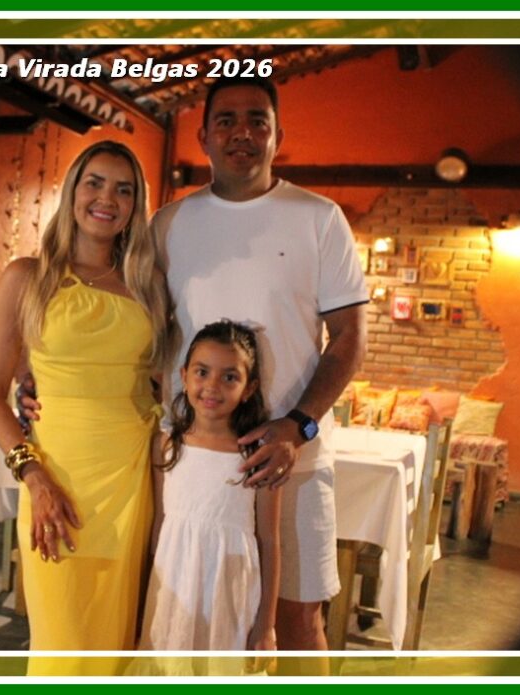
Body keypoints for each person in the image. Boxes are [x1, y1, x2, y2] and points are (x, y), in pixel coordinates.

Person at [152, 76, 368, 669]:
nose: (241, 132)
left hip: (291, 460)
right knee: (184, 609)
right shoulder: (168, 224)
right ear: (203, 136)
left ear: (278, 135)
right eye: (225, 120)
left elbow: (351, 337)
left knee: (297, 620)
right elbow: (134, 322)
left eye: (257, 119)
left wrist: (297, 425)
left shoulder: (319, 218)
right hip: (192, 460)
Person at [0, 140, 170, 676]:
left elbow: (160, 380)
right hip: (55, 481)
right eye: (95, 183)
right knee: (62, 645)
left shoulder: (148, 285)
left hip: (129, 482)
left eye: (124, 190)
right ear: (72, 192)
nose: (107, 198)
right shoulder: (27, 277)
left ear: (136, 206)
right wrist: (34, 476)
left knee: (114, 646)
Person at [136, 321, 280, 676]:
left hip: (228, 593)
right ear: (184, 376)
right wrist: (143, 601)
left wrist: (266, 625)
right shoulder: (166, 445)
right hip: (173, 589)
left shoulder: (259, 455)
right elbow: (159, 526)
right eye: (202, 372)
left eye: (229, 377)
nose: (212, 386)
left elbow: (269, 540)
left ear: (249, 388)